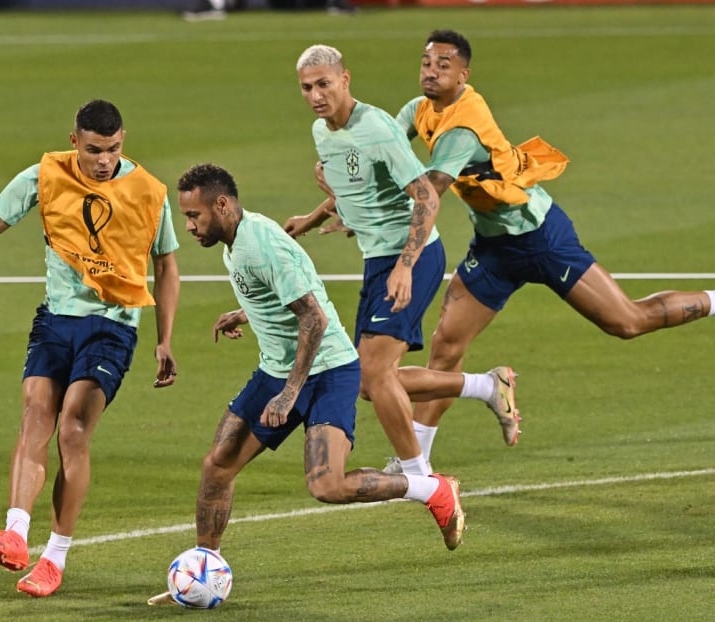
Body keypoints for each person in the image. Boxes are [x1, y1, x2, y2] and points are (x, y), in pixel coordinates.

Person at [379, 29, 715, 470]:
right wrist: (334, 199)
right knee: (447, 345)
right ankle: (417, 463)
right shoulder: (419, 110)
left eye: (444, 65)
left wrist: (401, 253)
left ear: (464, 75)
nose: (431, 72)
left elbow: (433, 190)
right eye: (426, 63)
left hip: (541, 238)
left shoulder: (463, 126)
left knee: (627, 322)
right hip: (494, 248)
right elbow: (381, 145)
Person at [146, 163, 465, 605]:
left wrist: (290, 393)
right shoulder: (236, 241)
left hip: (328, 369)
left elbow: (313, 318)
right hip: (278, 367)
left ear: (221, 205)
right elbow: (287, 290)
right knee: (217, 465)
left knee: (327, 486)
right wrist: (245, 313)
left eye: (194, 216)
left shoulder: (261, 244)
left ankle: (431, 488)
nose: (190, 226)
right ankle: (205, 566)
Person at [0, 99, 181, 597]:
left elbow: (167, 265)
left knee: (73, 429)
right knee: (35, 414)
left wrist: (164, 338)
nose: (103, 160)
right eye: (93, 150)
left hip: (112, 327)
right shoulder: (44, 175)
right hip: (56, 321)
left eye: (112, 149)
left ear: (122, 140)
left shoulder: (149, 192)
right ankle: (16, 534)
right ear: (74, 142)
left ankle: (54, 557)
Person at [286, 44, 519, 477]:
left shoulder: (375, 127)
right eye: (307, 87)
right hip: (378, 259)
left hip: (413, 257)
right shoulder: (323, 132)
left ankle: (418, 473)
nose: (316, 95)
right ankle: (489, 386)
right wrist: (314, 217)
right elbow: (353, 188)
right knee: (368, 383)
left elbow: (427, 197)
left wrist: (405, 265)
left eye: (324, 84)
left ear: (345, 79)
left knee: (374, 373)